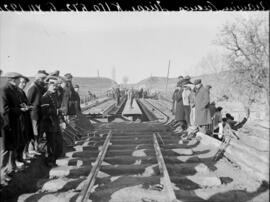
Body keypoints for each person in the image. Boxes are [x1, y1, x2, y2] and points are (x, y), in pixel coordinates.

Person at [0, 72, 27, 183]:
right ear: (13, 80)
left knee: (12, 146)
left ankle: (10, 169)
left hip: (13, 123)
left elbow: (13, 105)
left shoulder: (12, 90)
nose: (19, 82)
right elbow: (4, 110)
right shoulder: (4, 90)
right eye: (18, 80)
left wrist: (21, 107)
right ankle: (2, 175)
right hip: (6, 125)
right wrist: (20, 110)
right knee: (5, 149)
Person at [40, 76, 64, 167]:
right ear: (47, 85)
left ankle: (55, 159)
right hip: (49, 124)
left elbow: (57, 108)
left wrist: (61, 121)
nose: (55, 86)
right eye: (52, 84)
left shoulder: (53, 95)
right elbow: (44, 112)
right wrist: (55, 111)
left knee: (58, 142)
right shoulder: (45, 97)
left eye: (56, 84)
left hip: (55, 123)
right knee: (51, 144)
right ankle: (50, 161)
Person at [26, 71, 48, 155]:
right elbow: (28, 101)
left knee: (38, 132)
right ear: (38, 79)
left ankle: (37, 148)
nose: (44, 81)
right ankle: (31, 149)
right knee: (34, 132)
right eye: (43, 79)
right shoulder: (33, 88)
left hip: (39, 113)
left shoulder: (39, 87)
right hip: (34, 114)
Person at [17, 76, 35, 163]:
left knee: (27, 136)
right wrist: (25, 107)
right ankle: (20, 158)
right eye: (22, 82)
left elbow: (26, 103)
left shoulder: (22, 92)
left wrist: (28, 106)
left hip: (25, 117)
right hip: (19, 118)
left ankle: (24, 154)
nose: (23, 84)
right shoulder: (16, 92)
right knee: (21, 138)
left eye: (25, 83)